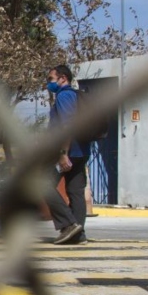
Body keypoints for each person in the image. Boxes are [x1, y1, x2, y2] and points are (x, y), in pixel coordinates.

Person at [43, 65, 90, 245]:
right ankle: (78, 235)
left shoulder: (64, 96)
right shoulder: (76, 96)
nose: (48, 83)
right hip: (81, 151)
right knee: (75, 192)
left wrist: (63, 154)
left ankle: (69, 224)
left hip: (66, 152)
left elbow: (67, 126)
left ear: (63, 78)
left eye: (51, 79)